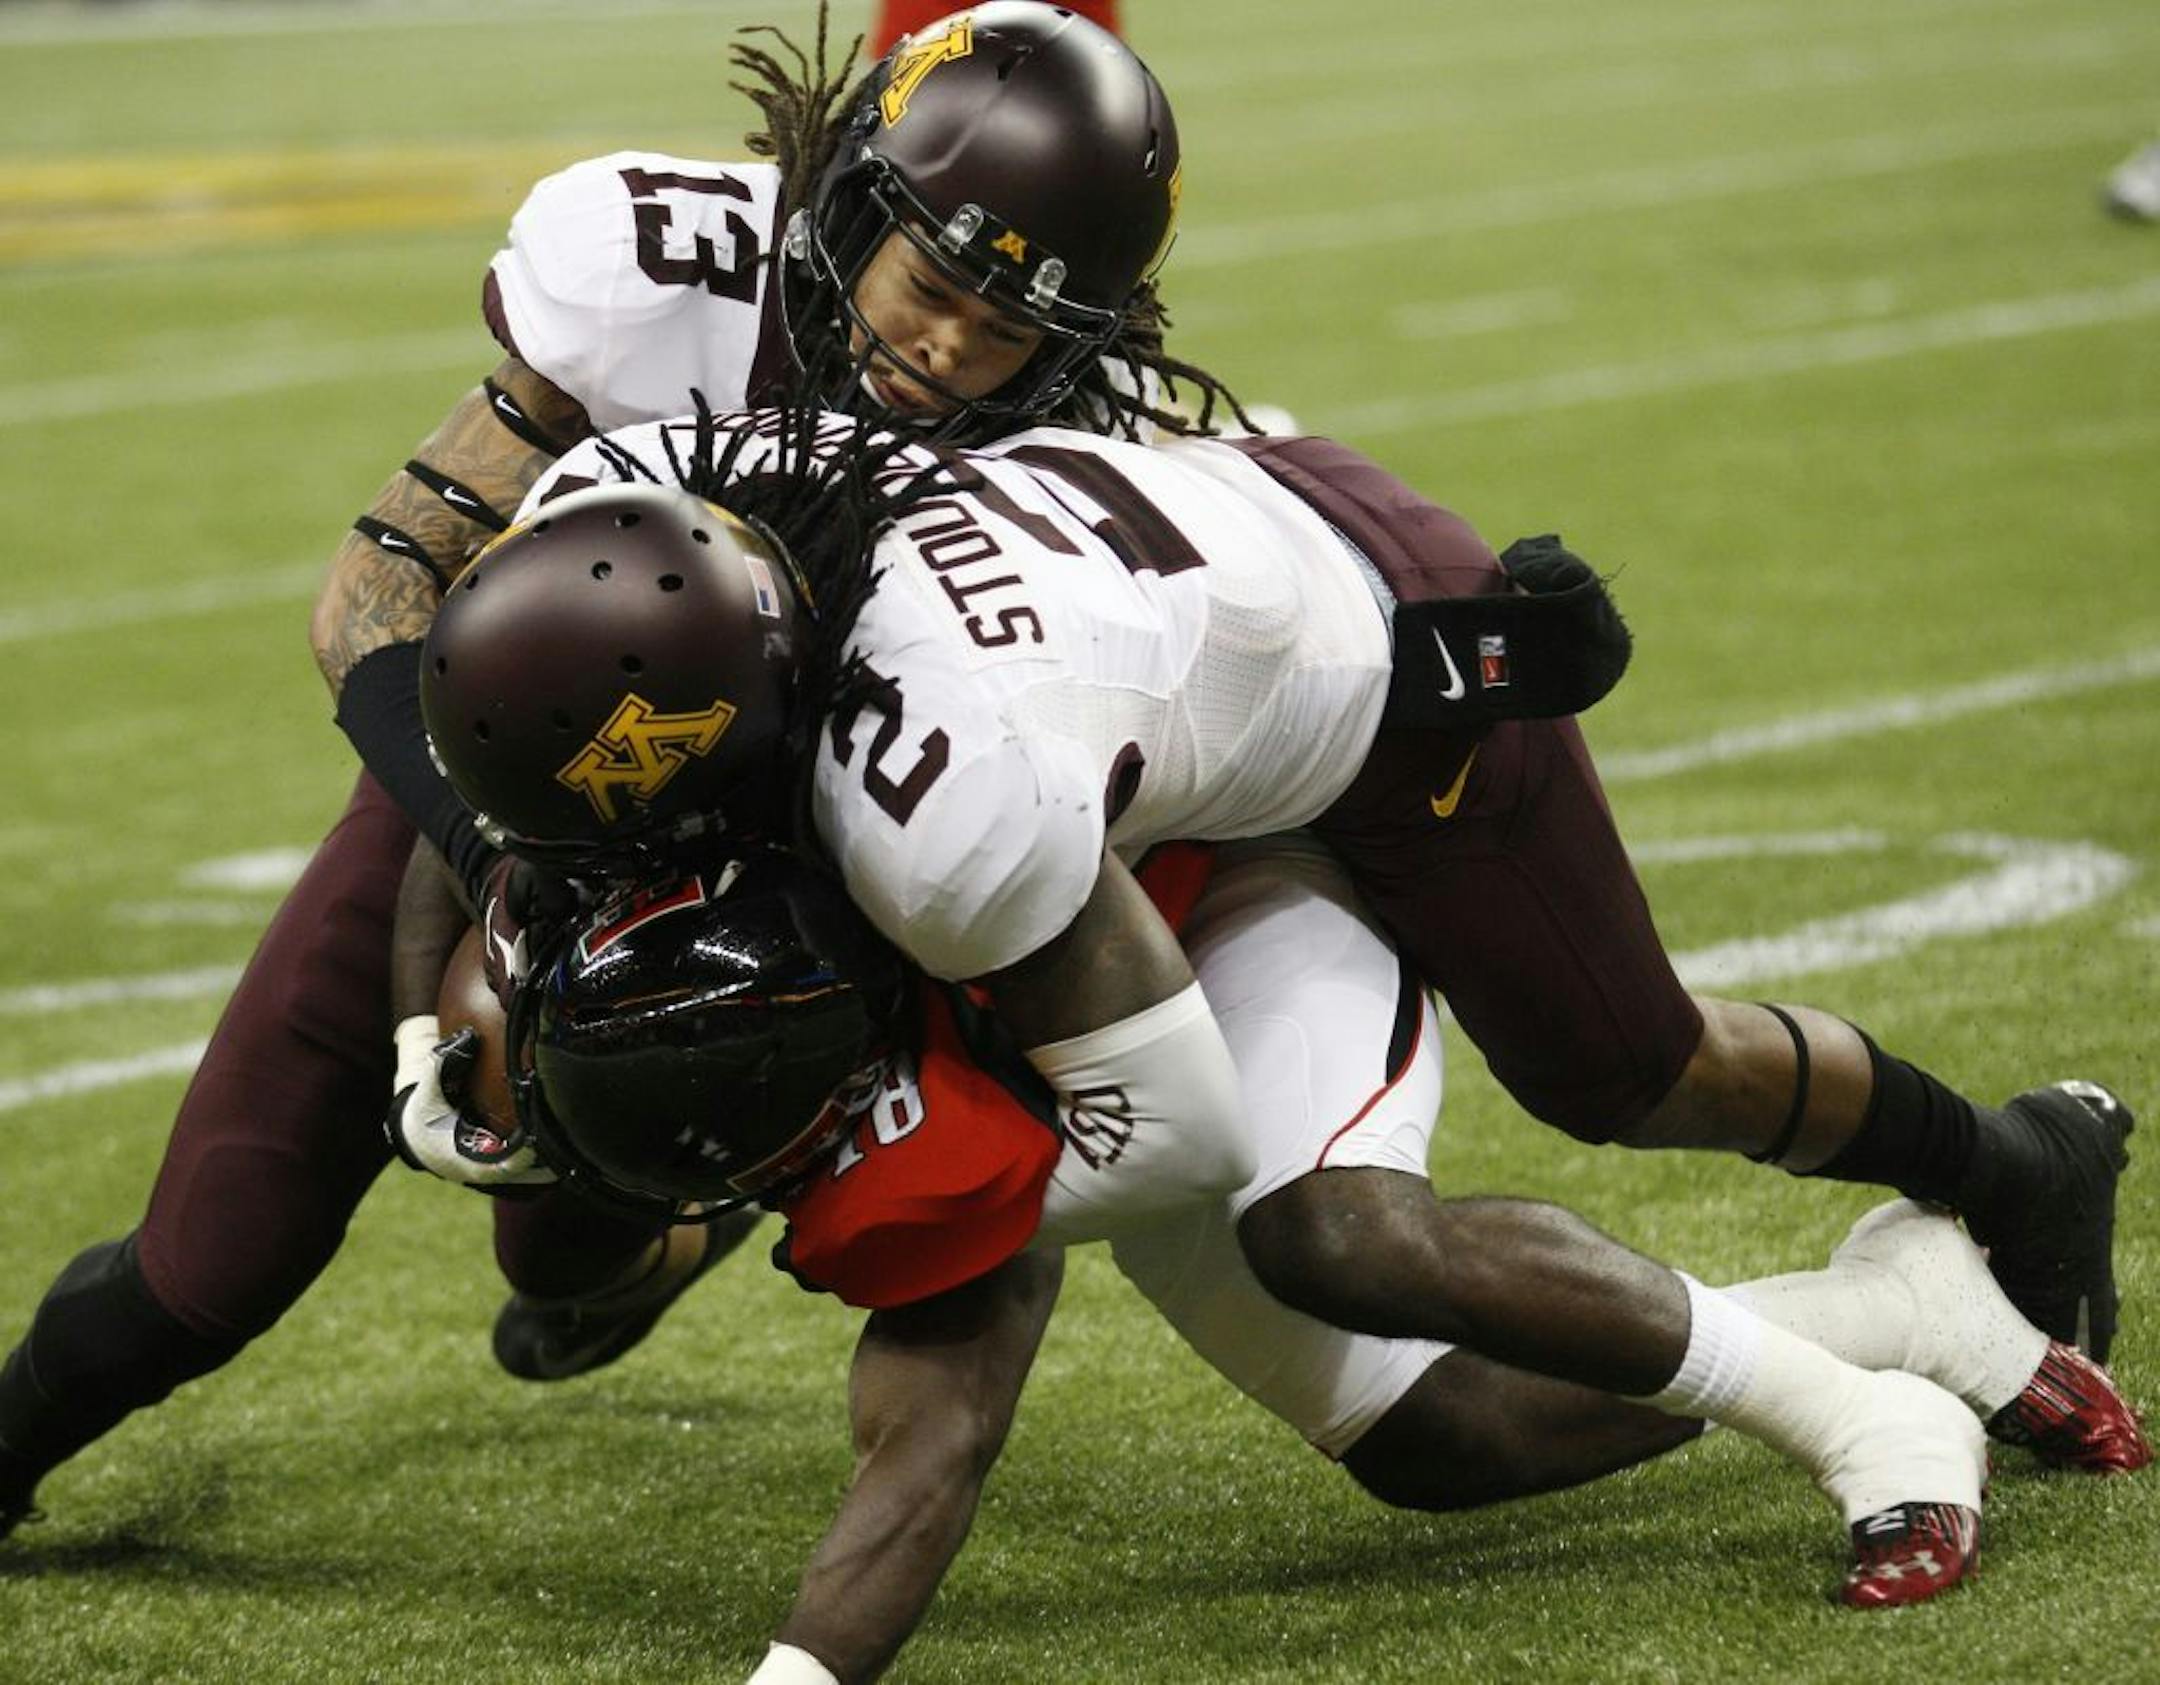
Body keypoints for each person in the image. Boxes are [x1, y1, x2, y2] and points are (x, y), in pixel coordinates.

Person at [0, 2, 1239, 1542]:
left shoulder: (1108, 428)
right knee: (217, 1252)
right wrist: (487, 850)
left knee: (581, 1232)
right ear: (860, 185)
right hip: (531, 779)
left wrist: (1470, 648)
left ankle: (712, 1195)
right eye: (936, 278)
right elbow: (378, 592)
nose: (947, 344)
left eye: (1018, 315)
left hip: (828, 860)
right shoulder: (677, 281)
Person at [419, 390, 2136, 1432]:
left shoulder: (934, 781)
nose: (933, 339)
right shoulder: (649, 496)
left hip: (1390, 686)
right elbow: (459, 783)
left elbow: (1162, 1122)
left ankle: (2014, 1161)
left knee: (1627, 1070)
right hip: (1199, 647)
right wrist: (432, 1033)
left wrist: (847, 1196)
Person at [399, 836, 2142, 1683]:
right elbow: (425, 804)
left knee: (1341, 1230)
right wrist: (424, 1038)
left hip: (1213, 912)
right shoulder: (626, 896)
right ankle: (1895, 1303)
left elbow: (937, 1429)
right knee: (1442, 1440)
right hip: (1043, 1033)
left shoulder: (858, 944)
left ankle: (1872, 1418)